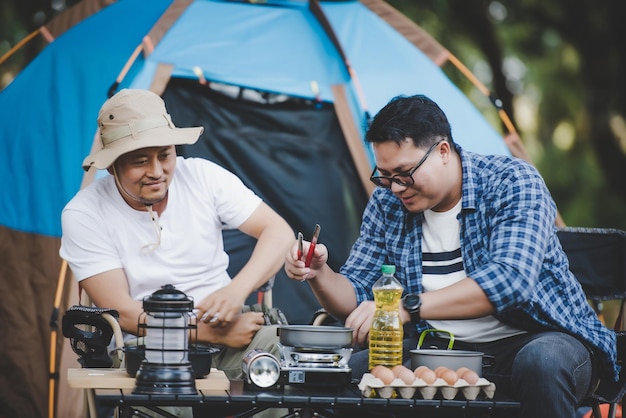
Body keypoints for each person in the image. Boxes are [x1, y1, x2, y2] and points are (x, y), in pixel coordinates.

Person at [284, 94, 618, 417]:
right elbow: (357, 295)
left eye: (404, 173)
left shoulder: (511, 182)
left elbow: (510, 279)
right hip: (439, 348)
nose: (396, 187)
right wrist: (320, 273)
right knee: (347, 373)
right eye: (385, 176)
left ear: (443, 151)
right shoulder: (387, 203)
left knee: (542, 361)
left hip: (535, 340)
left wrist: (407, 308)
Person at [60, 88, 293, 383]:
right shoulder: (84, 212)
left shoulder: (202, 176)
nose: (157, 172)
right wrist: (205, 332)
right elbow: (123, 312)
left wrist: (236, 291)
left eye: (165, 155)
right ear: (113, 164)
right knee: (165, 389)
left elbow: (278, 231)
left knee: (278, 358)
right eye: (140, 161)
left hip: (226, 323)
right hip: (146, 345)